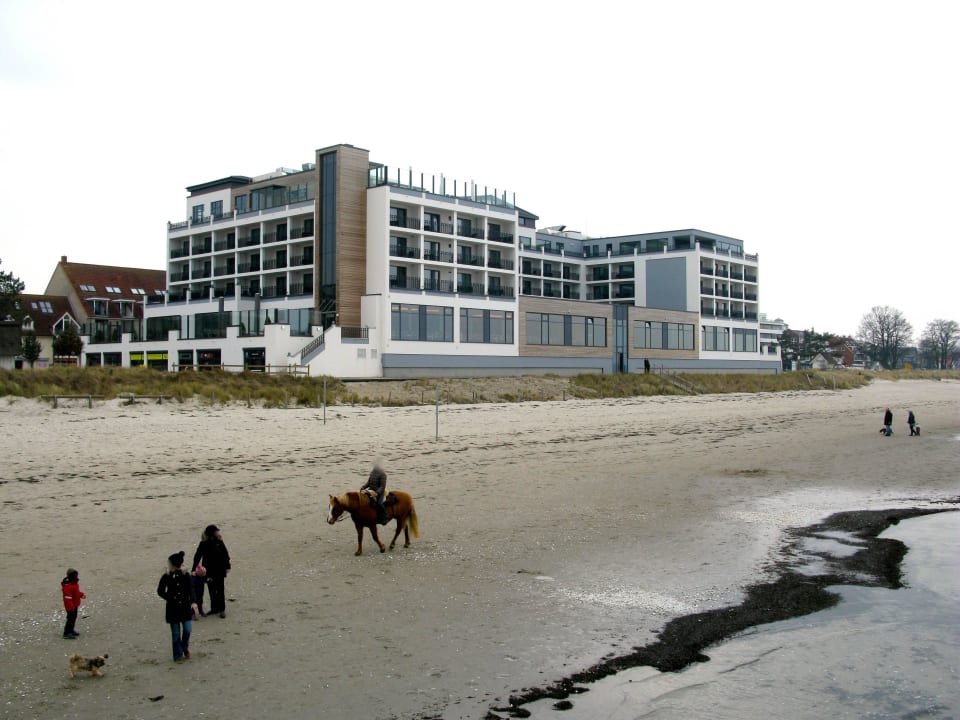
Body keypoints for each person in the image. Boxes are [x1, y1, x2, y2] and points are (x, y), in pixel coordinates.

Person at [157, 551, 198, 663]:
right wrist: (169, 597)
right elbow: (160, 591)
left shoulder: (186, 575)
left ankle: (184, 648)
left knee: (187, 630)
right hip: (172, 609)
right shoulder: (167, 575)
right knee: (175, 634)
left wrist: (193, 602)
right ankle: (177, 655)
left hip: (185, 607)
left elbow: (191, 589)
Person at [193, 525, 231, 618]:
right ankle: (214, 608)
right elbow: (197, 556)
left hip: (220, 569)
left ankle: (222, 609)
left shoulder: (219, 541)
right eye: (216, 531)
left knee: (220, 589)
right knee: (212, 590)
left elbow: (225, 554)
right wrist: (193, 569)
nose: (217, 533)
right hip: (208, 570)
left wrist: (228, 566)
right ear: (211, 533)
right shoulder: (203, 543)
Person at [61, 568, 86, 639]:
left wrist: (81, 595)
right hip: (70, 606)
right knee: (70, 619)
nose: (76, 577)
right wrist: (70, 607)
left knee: (73, 618)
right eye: (74, 575)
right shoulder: (68, 586)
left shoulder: (74, 583)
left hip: (75, 604)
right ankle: (66, 633)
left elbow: (76, 593)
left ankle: (71, 630)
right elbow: (67, 599)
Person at [361, 460, 388, 524]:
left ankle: (385, 516)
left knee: (379, 503)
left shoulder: (383, 474)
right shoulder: (372, 472)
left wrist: (377, 493)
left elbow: (382, 486)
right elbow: (368, 483)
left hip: (379, 492)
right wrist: (363, 487)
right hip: (371, 490)